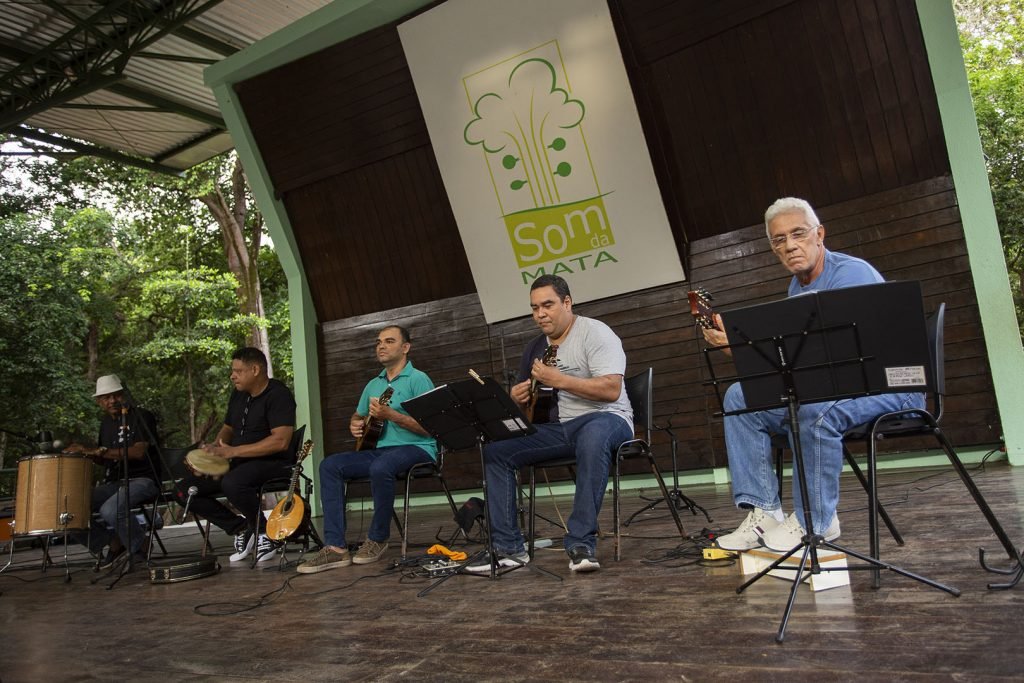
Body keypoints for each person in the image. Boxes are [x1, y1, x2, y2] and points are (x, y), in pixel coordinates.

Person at [705, 197, 926, 552]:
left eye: (798, 234)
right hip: (836, 386)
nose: (790, 245)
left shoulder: (851, 274)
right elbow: (803, 366)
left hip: (892, 386)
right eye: (779, 239)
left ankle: (817, 520)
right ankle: (764, 514)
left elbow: (847, 360)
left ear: (819, 234)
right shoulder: (797, 288)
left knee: (814, 409)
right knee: (739, 398)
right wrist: (739, 350)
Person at [466, 274, 633, 574]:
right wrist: (517, 397)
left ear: (567, 303)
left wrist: (559, 380)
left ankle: (581, 542)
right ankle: (508, 549)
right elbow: (531, 406)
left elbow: (611, 390)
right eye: (534, 308)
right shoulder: (534, 348)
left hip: (610, 418)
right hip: (563, 428)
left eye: (547, 305)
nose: (540, 314)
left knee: (593, 436)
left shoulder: (595, 333)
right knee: (496, 449)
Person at [297, 325, 436, 574]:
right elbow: (358, 414)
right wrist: (355, 424)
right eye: (378, 342)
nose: (381, 346)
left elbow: (431, 428)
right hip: (380, 450)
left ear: (405, 348)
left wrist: (392, 415)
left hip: (418, 448)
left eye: (389, 341)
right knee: (330, 465)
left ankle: (378, 538)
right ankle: (336, 547)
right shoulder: (374, 384)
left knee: (380, 466)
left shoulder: (418, 379)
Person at [177, 347, 296, 564]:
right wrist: (214, 450)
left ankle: (264, 534)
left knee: (233, 482)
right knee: (186, 491)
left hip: (273, 463)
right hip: (240, 463)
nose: (233, 375)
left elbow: (281, 441)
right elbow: (228, 428)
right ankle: (242, 529)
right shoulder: (239, 394)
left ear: (255, 369)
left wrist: (232, 451)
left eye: (238, 371)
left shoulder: (279, 394)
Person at [65, 374, 162, 568]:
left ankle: (139, 545)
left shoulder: (142, 416)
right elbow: (105, 459)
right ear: (99, 401)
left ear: (123, 394)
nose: (112, 401)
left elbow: (138, 452)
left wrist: (98, 450)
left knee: (109, 509)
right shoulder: (105, 423)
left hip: (144, 479)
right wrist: (86, 453)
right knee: (68, 510)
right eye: (106, 398)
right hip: (115, 482)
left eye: (116, 395)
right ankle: (113, 543)